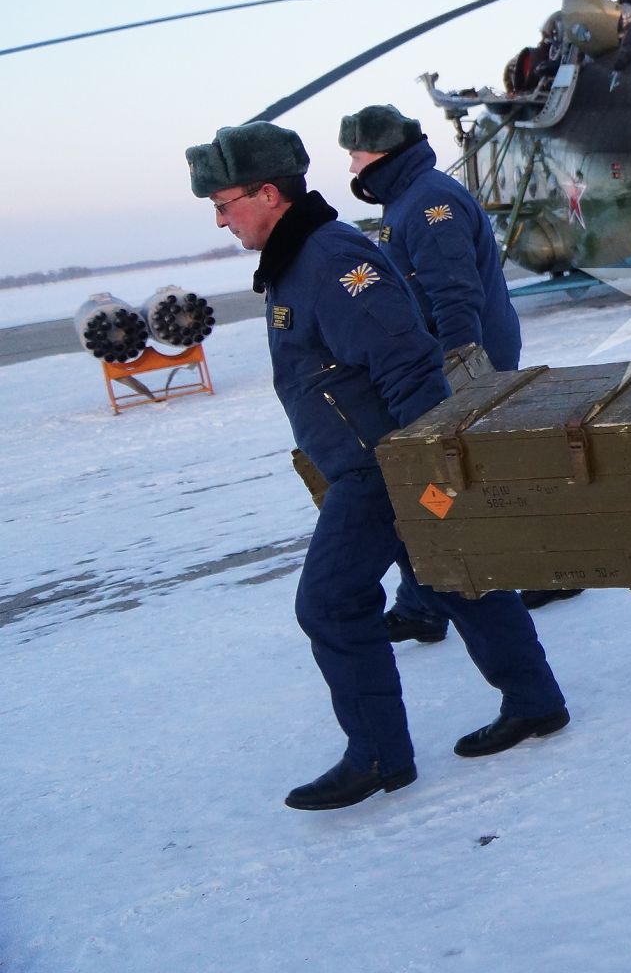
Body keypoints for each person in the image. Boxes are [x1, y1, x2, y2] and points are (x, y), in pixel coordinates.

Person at [187, 122, 572, 811]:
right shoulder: (295, 258)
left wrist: (425, 465)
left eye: (224, 203)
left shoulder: (329, 258)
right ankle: (535, 700)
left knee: (330, 603)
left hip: (382, 472)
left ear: (267, 193)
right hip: (375, 465)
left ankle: (377, 756)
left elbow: (407, 358)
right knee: (451, 575)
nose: (220, 219)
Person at [339, 103, 581, 642]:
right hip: (455, 361)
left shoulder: (428, 202)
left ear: (379, 151)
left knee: (445, 482)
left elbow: (453, 293)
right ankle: (427, 600)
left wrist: (459, 367)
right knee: (454, 480)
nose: (351, 168)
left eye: (354, 154)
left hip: (465, 363)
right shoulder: (409, 199)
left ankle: (531, 575)